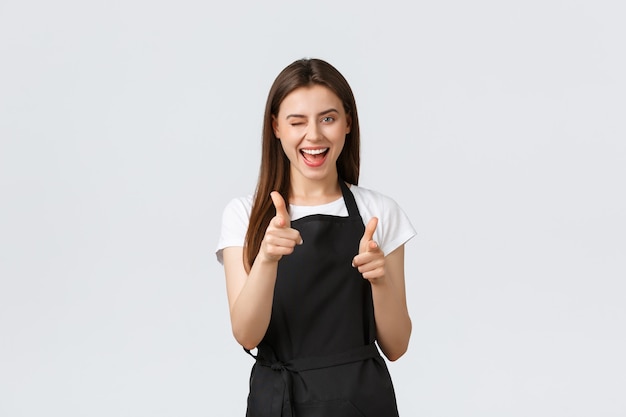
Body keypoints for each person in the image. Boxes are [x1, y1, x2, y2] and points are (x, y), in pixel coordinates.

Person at [216, 58, 416, 417]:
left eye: (328, 118)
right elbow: (247, 335)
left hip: (362, 402)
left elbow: (398, 345)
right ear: (276, 127)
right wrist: (266, 259)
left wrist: (380, 279)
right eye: (297, 122)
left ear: (348, 123)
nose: (314, 135)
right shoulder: (244, 216)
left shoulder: (379, 211)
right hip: (278, 403)